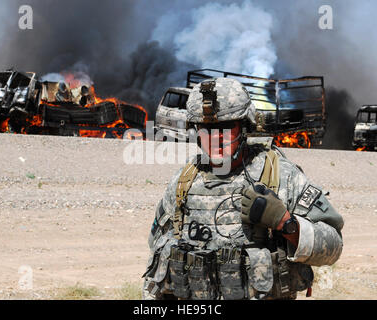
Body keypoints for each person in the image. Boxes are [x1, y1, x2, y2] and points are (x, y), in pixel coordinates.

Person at [142, 77, 344, 300]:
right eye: (206, 128)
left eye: (225, 127)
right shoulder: (184, 181)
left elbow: (333, 247)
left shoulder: (280, 175)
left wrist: (285, 223)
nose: (215, 137)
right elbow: (158, 258)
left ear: (245, 127)